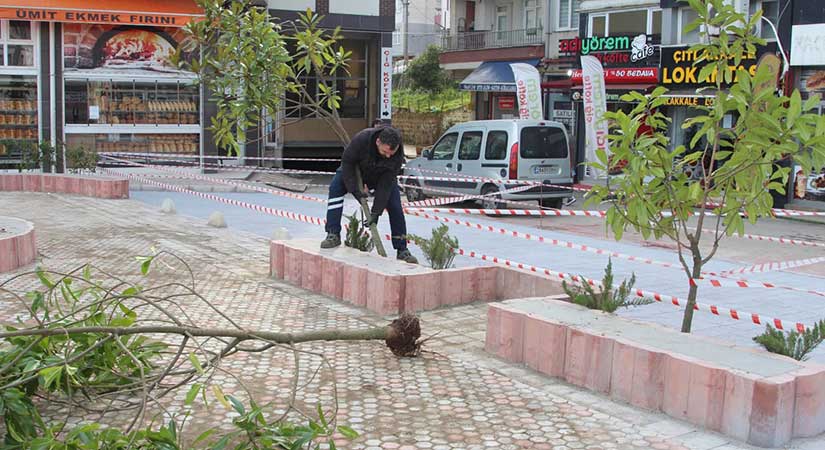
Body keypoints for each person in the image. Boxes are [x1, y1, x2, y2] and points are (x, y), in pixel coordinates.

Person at [320, 126, 418, 264]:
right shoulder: (361, 139)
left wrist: (376, 212)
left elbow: (386, 184)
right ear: (378, 142)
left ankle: (402, 249)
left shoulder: (397, 155)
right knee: (335, 189)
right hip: (356, 170)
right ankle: (333, 233)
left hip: (382, 176)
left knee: (395, 206)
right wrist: (356, 191)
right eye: (385, 152)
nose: (388, 156)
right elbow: (347, 163)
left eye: (391, 153)